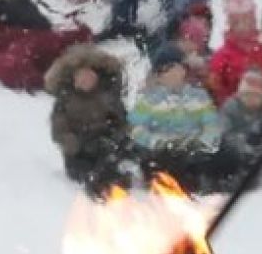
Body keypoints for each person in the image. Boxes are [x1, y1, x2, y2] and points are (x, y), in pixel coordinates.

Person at [128, 44, 229, 192]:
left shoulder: (198, 96)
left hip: (193, 151)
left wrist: (201, 143)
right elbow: (135, 128)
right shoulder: (147, 101)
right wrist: (157, 141)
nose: (169, 74)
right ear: (157, 76)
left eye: (173, 67)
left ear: (183, 70)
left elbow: (211, 125)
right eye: (163, 71)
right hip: (162, 152)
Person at [45, 44, 136, 198]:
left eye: (89, 75)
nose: (85, 80)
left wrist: (118, 136)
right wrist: (75, 144)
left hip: (106, 143)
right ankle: (100, 181)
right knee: (89, 169)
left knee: (115, 155)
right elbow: (59, 130)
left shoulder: (108, 97)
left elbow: (123, 122)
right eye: (80, 75)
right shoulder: (66, 100)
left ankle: (116, 174)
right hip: (80, 152)